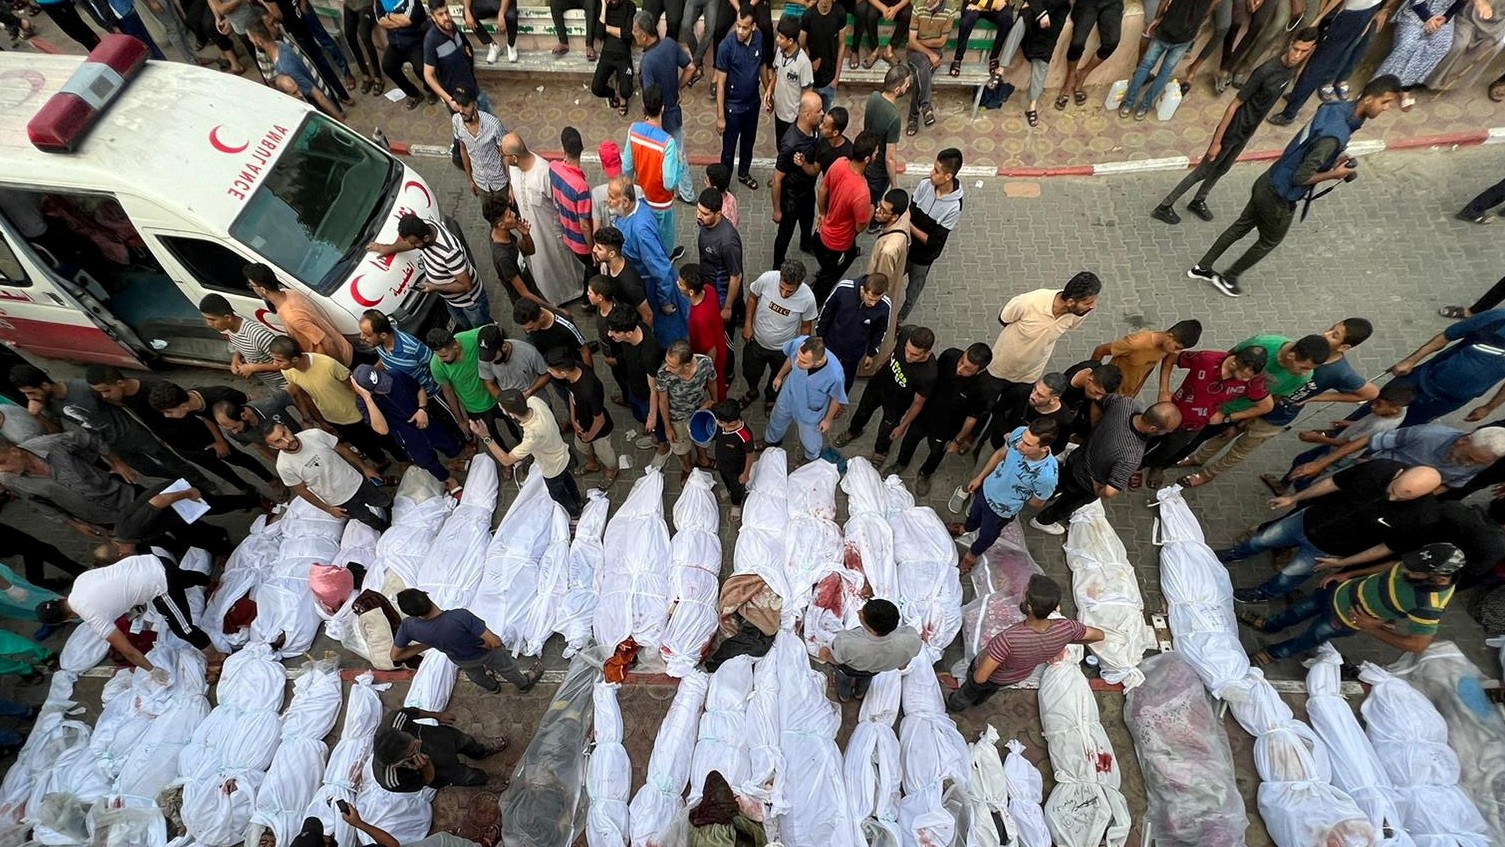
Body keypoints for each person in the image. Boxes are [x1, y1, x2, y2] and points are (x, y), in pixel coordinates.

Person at [1188, 76, 1403, 297]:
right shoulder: (1335, 136)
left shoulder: (1335, 107)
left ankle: (1201, 267)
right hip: (1280, 196)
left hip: (1269, 178)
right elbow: (1301, 178)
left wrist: (1332, 157)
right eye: (1384, 102)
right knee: (1269, 240)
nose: (1386, 108)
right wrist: (1335, 173)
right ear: (1368, 99)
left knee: (1240, 226)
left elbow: (1312, 145)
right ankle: (1228, 278)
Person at [1153, 30, 1319, 224]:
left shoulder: (1292, 71)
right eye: (1295, 49)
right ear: (1290, 44)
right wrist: (1217, 142)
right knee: (1203, 171)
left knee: (1222, 169)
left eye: (1303, 51)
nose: (1296, 55)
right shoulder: (1266, 70)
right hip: (1233, 130)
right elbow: (1233, 105)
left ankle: (1199, 200)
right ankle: (1165, 205)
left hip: (1246, 132)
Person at [1220, 460, 1443, 601]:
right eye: (1394, 490)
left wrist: (1343, 563)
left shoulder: (1422, 517)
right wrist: (1293, 498)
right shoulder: (1378, 468)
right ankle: (1234, 555)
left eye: (1405, 497)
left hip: (1328, 551)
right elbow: (1333, 483)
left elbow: (1385, 548)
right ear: (1399, 473)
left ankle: (1264, 593)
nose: (1392, 498)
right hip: (1307, 520)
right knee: (1261, 540)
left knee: (1291, 574)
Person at [1239, 542, 1462, 665]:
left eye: (1414, 571)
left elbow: (1417, 645)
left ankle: (1274, 654)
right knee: (1297, 610)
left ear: (1438, 577)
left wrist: (1371, 627)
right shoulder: (1413, 566)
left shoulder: (1429, 605)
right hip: (1338, 592)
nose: (1405, 569)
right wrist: (1348, 575)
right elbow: (1391, 566)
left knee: (1311, 637)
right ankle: (1269, 625)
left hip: (1345, 619)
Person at [11, 365, 211, 491]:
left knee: (171, 460)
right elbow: (56, 433)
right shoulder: (48, 405)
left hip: (134, 435)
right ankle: (184, 482)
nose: (31, 397)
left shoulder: (83, 388)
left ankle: (202, 482)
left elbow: (119, 402)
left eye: (31, 392)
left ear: (45, 385)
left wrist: (150, 428)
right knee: (150, 470)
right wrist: (37, 415)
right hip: (112, 447)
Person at [1177, 333, 1332, 487]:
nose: (1305, 372)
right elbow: (1229, 358)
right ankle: (1197, 459)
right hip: (1220, 401)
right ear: (1291, 355)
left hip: (1244, 412)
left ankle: (1207, 475)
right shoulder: (1264, 343)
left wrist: (1241, 420)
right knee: (1215, 437)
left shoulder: (1303, 377)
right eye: (1303, 367)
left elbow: (1275, 398)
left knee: (1237, 449)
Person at [35, 549, 221, 675]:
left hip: (160, 583)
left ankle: (216, 657)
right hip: (151, 561)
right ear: (58, 599)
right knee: (182, 577)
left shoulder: (94, 618)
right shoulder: (80, 581)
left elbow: (129, 652)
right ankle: (210, 582)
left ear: (66, 620)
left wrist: (152, 670)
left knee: (183, 629)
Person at [947, 574, 1105, 711]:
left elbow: (980, 677)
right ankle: (978, 702)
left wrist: (975, 681)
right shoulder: (1067, 628)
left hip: (992, 676)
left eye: (1024, 593)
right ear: (1056, 607)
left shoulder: (1007, 640)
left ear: (1029, 607)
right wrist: (1067, 639)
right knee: (989, 691)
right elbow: (1099, 635)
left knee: (972, 690)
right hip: (1016, 676)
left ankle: (956, 704)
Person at [1030, 398, 1182, 534]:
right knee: (1064, 506)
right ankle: (1041, 521)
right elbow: (1110, 491)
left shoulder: (1125, 404)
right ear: (1153, 429)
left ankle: (1039, 497)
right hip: (1085, 485)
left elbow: (1098, 400)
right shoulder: (1132, 455)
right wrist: (1099, 489)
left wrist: (1095, 427)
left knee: (1057, 483)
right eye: (1166, 431)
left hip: (1075, 460)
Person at [1139, 346, 1270, 488]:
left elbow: (1266, 406)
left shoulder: (1253, 381)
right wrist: (1164, 390)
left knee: (1170, 449)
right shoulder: (1206, 359)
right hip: (1169, 414)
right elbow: (1170, 358)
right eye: (1245, 375)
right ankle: (1131, 462)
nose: (1247, 379)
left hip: (1194, 424)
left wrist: (1228, 417)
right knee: (1146, 438)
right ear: (1234, 363)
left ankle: (1157, 466)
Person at [1270, 379, 1416, 494]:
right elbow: (1365, 424)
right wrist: (1349, 423)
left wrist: (1318, 438)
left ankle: (1298, 495)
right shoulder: (1400, 411)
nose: (1372, 407)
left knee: (1306, 474)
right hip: (1342, 441)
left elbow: (1346, 444)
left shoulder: (1380, 425)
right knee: (1302, 460)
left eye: (1379, 405)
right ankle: (1285, 486)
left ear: (1394, 408)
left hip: (1342, 454)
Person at [271, 336, 398, 466]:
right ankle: (382, 462)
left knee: (385, 439)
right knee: (363, 445)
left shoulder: (328, 364)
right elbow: (306, 396)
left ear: (295, 359)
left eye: (279, 360)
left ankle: (403, 460)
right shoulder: (287, 371)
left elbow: (354, 386)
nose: (275, 364)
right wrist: (321, 421)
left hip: (359, 413)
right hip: (335, 419)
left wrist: (371, 409)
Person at [954, 418, 1060, 572]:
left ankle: (971, 556)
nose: (1019, 445)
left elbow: (1037, 502)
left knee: (987, 536)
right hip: (986, 490)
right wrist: (979, 478)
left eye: (1027, 444)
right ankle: (965, 528)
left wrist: (1013, 496)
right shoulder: (1019, 434)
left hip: (1000, 511)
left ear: (1044, 448)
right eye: (1023, 439)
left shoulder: (1047, 476)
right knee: (973, 516)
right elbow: (999, 454)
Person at [393, 588, 543, 691]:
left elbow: (396, 656)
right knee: (507, 668)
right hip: (485, 652)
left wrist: (426, 644)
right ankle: (524, 684)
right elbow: (495, 642)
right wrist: (492, 643)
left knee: (475, 675)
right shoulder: (459, 617)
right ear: (426, 595)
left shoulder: (409, 627)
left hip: (460, 659)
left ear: (410, 614)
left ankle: (493, 687)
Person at [889, 343, 998, 485]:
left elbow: (972, 418)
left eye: (968, 369)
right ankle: (901, 462)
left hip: (947, 427)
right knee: (910, 439)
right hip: (925, 414)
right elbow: (931, 379)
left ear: (980, 370)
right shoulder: (950, 355)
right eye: (961, 362)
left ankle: (925, 473)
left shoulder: (985, 388)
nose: (960, 369)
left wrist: (958, 440)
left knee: (936, 452)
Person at [0, 432, 138, 538]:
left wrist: (118, 463)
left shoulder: (52, 444)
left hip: (125, 494)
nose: (3, 470)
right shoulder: (9, 480)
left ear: (15, 451)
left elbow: (91, 440)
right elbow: (41, 505)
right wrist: (76, 525)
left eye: (2, 462)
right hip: (101, 518)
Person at [351, 365, 463, 495]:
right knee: (426, 460)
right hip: (407, 436)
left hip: (425, 421)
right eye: (378, 388)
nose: (385, 388)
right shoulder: (363, 403)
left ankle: (453, 460)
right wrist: (367, 398)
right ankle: (448, 479)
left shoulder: (395, 375)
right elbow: (382, 430)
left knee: (448, 443)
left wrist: (422, 409)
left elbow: (419, 389)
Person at [837, 325, 937, 469]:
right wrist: (882, 364)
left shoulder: (929, 375)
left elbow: (917, 403)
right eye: (907, 350)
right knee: (863, 410)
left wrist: (903, 426)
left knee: (887, 429)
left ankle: (880, 451)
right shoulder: (907, 332)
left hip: (897, 402)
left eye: (914, 354)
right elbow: (895, 350)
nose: (908, 356)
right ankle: (854, 430)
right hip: (878, 384)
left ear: (927, 352)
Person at [146, 382, 280, 490]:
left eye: (169, 412)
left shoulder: (222, 395)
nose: (166, 416)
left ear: (183, 406)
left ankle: (277, 477)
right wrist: (220, 440)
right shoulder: (191, 406)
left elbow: (250, 402)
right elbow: (206, 418)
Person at [1386, 308, 1505, 426]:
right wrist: (1411, 361)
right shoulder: (1497, 318)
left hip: (1450, 400)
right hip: (1422, 378)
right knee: (1377, 406)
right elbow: (1446, 337)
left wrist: (1489, 408)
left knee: (1404, 428)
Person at [606, 176, 689, 346]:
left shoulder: (641, 231)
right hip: (643, 279)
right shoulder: (634, 208)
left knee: (666, 330)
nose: (608, 201)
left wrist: (665, 300)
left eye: (612, 197)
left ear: (626, 201)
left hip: (650, 285)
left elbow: (660, 268)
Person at [985, 273, 1102, 394]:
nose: (1093, 306)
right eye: (1088, 303)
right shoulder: (1030, 302)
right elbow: (1004, 319)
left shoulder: (1079, 313)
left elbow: (1071, 326)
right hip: (1001, 367)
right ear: (1071, 302)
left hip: (1030, 375)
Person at [505, 134, 585, 309]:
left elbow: (560, 204)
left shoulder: (544, 173)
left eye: (505, 156)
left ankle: (574, 292)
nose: (503, 159)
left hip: (551, 230)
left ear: (514, 157)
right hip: (531, 231)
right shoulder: (514, 168)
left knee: (562, 263)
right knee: (541, 267)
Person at [367, 213, 488, 328]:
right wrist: (388, 248)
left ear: (426, 238)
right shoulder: (425, 226)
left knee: (482, 329)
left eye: (414, 243)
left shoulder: (450, 252)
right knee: (465, 327)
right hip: (453, 301)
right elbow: (409, 244)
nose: (411, 245)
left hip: (471, 304)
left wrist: (435, 287)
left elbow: (466, 285)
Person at [1301, 423, 1505, 490]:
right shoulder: (1427, 435)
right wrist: (1321, 463)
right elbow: (1368, 440)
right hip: (1363, 474)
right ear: (1464, 440)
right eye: (1469, 458)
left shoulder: (1482, 461)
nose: (1468, 465)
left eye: (1476, 463)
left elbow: (1449, 485)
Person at [474, 391, 583, 516]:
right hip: (563, 452)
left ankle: (574, 513)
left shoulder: (532, 435)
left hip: (552, 468)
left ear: (510, 414)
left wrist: (486, 437)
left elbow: (506, 460)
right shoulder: (535, 401)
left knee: (557, 493)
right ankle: (579, 501)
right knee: (568, 480)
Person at [266, 423, 392, 529]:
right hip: (339, 500)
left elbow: (343, 449)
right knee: (369, 520)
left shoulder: (314, 434)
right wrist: (328, 509)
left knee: (385, 502)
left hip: (356, 482)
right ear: (273, 447)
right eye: (278, 441)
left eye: (284, 433)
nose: (287, 440)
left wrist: (365, 468)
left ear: (287, 428)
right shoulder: (283, 466)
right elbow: (302, 491)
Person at [632, 11, 696, 204]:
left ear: (644, 35)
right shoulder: (669, 44)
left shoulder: (648, 61)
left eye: (635, 31)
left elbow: (649, 97)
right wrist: (678, 87)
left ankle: (661, 189)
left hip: (657, 120)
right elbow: (691, 68)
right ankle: (688, 193)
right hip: (674, 114)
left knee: (657, 157)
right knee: (679, 154)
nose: (633, 35)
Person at [1117, 0, 1218, 121]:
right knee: (1164, 73)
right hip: (1185, 37)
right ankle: (1143, 108)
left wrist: (1157, 19)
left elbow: (1164, 2)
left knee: (1145, 66)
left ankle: (1128, 106)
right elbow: (1207, 13)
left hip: (1165, 30)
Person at [110, 481, 261, 559]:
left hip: (176, 499)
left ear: (121, 553)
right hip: (173, 515)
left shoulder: (129, 530)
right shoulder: (124, 536)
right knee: (194, 537)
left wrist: (186, 494)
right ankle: (224, 549)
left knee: (216, 505)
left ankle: (257, 500)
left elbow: (158, 501)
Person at [741, 262, 819, 410]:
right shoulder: (766, 279)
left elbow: (806, 326)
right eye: (781, 288)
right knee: (749, 371)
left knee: (778, 376)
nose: (784, 294)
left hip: (783, 349)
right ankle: (752, 391)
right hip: (756, 341)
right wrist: (747, 324)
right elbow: (752, 297)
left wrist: (801, 349)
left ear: (799, 285)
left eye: (789, 291)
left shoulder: (808, 298)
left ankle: (771, 397)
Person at [372, 706, 506, 792]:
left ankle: (481, 751)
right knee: (467, 776)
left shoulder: (394, 721)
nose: (419, 741)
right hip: (441, 771)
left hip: (441, 738)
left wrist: (437, 715)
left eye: (412, 737)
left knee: (467, 741)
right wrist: (426, 766)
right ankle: (486, 781)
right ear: (398, 763)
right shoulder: (392, 780)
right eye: (413, 750)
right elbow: (428, 780)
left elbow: (413, 712)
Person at [813, 131, 880, 303]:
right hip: (837, 243)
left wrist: (821, 214)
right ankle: (817, 301)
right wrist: (871, 211)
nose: (877, 154)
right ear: (867, 159)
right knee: (829, 275)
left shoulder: (840, 163)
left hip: (821, 231)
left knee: (846, 255)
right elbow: (859, 227)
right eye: (875, 152)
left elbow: (822, 190)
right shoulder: (862, 193)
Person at [899, 148, 964, 322]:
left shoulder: (954, 207)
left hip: (923, 258)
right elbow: (912, 208)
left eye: (936, 171)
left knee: (912, 290)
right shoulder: (925, 185)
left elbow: (932, 242)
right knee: (891, 278)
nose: (931, 173)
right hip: (905, 246)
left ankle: (899, 320)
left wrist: (908, 224)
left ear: (948, 176)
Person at [246, 263, 353, 366]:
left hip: (341, 359)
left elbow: (328, 342)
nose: (251, 287)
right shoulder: (289, 293)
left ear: (263, 290)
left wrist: (343, 369)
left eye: (251, 285)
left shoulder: (292, 317)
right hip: (343, 348)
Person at [818, 598, 921, 702]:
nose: (858, 612)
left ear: (871, 628)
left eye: (861, 615)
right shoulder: (911, 638)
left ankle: (844, 696)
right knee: (865, 679)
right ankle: (859, 694)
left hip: (850, 669)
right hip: (874, 670)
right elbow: (903, 665)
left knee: (844, 679)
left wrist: (827, 655)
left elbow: (837, 660)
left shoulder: (846, 641)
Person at [624, 86, 686, 259]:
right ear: (663, 107)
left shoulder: (633, 130)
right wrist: (679, 165)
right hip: (661, 203)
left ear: (643, 105)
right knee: (664, 241)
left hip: (641, 199)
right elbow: (669, 182)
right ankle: (666, 259)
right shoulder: (668, 143)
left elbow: (627, 166)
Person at [765, 335, 848, 461]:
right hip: (789, 395)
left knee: (810, 438)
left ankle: (811, 457)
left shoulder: (835, 375)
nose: (798, 362)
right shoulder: (799, 344)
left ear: (818, 362)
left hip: (809, 410)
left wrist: (827, 420)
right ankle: (771, 441)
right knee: (777, 419)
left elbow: (836, 398)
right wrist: (780, 376)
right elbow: (790, 359)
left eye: (804, 362)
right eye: (798, 357)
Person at [716, 6, 770, 189]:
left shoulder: (759, 38)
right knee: (729, 150)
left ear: (753, 26)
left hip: (752, 105)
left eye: (745, 27)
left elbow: (762, 65)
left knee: (749, 143)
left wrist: (768, 91)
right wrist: (721, 116)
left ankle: (744, 174)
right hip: (733, 108)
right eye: (738, 26)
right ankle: (723, 186)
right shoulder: (726, 46)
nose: (740, 31)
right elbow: (720, 84)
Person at [1374, 0, 1463, 109]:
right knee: (1407, 46)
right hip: (1415, 14)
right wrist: (1428, 18)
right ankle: (1377, 88)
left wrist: (1446, 17)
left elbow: (1461, 1)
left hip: (1441, 17)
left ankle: (1406, 88)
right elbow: (1415, 2)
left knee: (1440, 46)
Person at [545, 351, 619, 481]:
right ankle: (592, 464)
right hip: (581, 425)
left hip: (599, 430)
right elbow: (571, 395)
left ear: (563, 373)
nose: (548, 371)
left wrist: (589, 436)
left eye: (551, 370)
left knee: (605, 453)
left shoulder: (588, 391)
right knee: (581, 446)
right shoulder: (574, 371)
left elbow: (599, 419)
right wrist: (573, 420)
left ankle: (612, 470)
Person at [771, 90, 824, 267]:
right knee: (785, 233)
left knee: (807, 220)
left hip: (808, 191)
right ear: (808, 114)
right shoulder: (790, 144)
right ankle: (777, 264)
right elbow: (777, 179)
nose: (822, 113)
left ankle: (806, 243)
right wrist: (777, 210)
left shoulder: (815, 129)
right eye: (819, 111)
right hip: (791, 198)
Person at [649, 340, 717, 476]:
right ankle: (687, 468)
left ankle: (703, 460)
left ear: (687, 364)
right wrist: (668, 427)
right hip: (677, 416)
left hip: (700, 410)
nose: (667, 368)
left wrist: (715, 402)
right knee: (681, 447)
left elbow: (712, 381)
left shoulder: (705, 363)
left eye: (672, 365)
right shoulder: (663, 374)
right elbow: (663, 401)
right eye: (666, 362)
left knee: (702, 439)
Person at [475, 327, 552, 443]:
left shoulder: (528, 352)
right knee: (528, 435)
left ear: (504, 347)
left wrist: (529, 392)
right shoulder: (485, 358)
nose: (490, 361)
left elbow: (546, 374)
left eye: (493, 357)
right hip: (513, 408)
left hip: (538, 401)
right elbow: (489, 382)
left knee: (550, 428)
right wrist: (503, 401)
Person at [817, 273, 892, 392]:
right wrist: (819, 336)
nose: (873, 304)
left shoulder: (885, 306)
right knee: (822, 373)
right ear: (863, 289)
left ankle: (839, 402)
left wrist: (871, 353)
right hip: (831, 344)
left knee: (846, 379)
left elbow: (880, 331)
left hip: (854, 352)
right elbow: (827, 311)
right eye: (870, 299)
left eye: (877, 300)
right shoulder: (844, 289)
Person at [1091, 320, 1203, 398]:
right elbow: (1100, 350)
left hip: (1125, 394)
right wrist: (1092, 377)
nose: (1175, 352)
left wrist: (1134, 393)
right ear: (1169, 337)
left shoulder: (1165, 349)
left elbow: (1147, 369)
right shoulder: (1136, 343)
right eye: (1177, 348)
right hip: (1104, 389)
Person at [864, 190, 913, 370]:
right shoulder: (904, 217)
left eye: (884, 211)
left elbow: (880, 282)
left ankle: (868, 365)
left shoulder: (888, 250)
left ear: (895, 216)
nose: (878, 212)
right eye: (880, 206)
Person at [427, 326, 501, 443]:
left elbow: (494, 331)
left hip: (497, 394)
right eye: (438, 355)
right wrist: (460, 420)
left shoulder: (472, 338)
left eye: (444, 355)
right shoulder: (436, 366)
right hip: (475, 408)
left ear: (455, 346)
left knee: (514, 423)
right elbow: (448, 392)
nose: (441, 360)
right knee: (493, 440)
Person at [199, 294, 287, 390]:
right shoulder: (228, 329)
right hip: (272, 384)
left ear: (228, 318)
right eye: (206, 319)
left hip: (286, 383)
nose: (209, 324)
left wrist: (253, 368)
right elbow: (243, 347)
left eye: (212, 320)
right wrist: (236, 359)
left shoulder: (258, 335)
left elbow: (286, 363)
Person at [605, 312, 667, 444]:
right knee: (637, 414)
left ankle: (663, 445)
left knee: (655, 425)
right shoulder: (635, 328)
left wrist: (652, 415)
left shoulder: (649, 354)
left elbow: (653, 389)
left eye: (614, 331)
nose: (610, 334)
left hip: (646, 395)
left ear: (628, 333)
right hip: (633, 386)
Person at [551, 127, 598, 302]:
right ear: (582, 148)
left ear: (564, 148)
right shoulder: (581, 187)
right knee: (593, 269)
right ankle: (589, 301)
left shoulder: (553, 168)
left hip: (566, 232)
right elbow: (584, 224)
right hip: (581, 242)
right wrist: (593, 247)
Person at [861, 67, 910, 226]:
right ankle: (872, 224)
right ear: (897, 89)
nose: (907, 87)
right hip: (879, 171)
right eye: (906, 84)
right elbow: (890, 158)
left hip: (867, 160)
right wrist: (894, 185)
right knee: (874, 201)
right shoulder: (894, 117)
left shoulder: (874, 97)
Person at [1057, 0, 1125, 113]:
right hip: (1087, 3)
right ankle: (1071, 75)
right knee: (1077, 43)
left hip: (1113, 3)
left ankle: (1083, 74)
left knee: (1112, 42)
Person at [694, 188, 745, 337]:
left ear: (718, 213)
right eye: (698, 210)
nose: (699, 215)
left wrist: (728, 307)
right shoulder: (705, 223)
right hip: (709, 288)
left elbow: (736, 276)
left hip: (722, 297)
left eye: (704, 213)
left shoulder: (728, 242)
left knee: (724, 338)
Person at [422, 0, 489, 114]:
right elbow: (428, 76)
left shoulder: (452, 26)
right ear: (433, 17)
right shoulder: (431, 41)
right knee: (468, 129)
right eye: (440, 15)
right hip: (457, 99)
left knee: (491, 121)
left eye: (447, 12)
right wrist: (449, 99)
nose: (446, 17)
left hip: (472, 87)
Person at [484, 198, 550, 310]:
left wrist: (525, 235)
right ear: (501, 225)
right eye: (509, 215)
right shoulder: (503, 258)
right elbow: (524, 293)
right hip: (529, 306)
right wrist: (554, 310)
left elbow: (530, 251)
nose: (514, 214)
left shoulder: (501, 234)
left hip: (532, 289)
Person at [903, 0, 956, 137]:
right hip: (915, 54)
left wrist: (916, 43)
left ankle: (913, 118)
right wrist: (928, 52)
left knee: (919, 75)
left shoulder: (949, 10)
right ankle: (926, 107)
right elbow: (911, 41)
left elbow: (941, 41)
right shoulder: (918, 7)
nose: (926, 1)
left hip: (934, 53)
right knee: (923, 67)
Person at [679, 266, 731, 403]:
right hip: (720, 341)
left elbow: (711, 349)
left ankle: (719, 406)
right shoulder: (709, 289)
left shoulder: (699, 318)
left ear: (690, 291)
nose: (677, 285)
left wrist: (707, 372)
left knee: (717, 385)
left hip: (712, 356)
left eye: (680, 284)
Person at [359, 310, 440, 396]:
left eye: (367, 335)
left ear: (383, 335)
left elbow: (437, 364)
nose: (362, 337)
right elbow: (385, 359)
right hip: (411, 395)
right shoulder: (378, 344)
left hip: (432, 394)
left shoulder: (413, 347)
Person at [452, 91, 509, 205]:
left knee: (509, 214)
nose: (462, 111)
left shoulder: (494, 125)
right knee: (491, 216)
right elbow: (463, 150)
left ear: (475, 104)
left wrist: (511, 184)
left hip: (500, 182)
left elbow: (505, 155)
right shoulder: (456, 121)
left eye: (466, 106)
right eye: (459, 105)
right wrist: (470, 179)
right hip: (481, 182)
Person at [1022, 0, 1073, 126]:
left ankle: (1032, 106)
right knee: (1021, 20)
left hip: (1051, 23)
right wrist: (1041, 12)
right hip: (1032, 16)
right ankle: (1000, 69)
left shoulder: (1064, 6)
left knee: (1043, 56)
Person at [769, 14, 814, 148]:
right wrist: (769, 91)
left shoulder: (803, 63)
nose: (777, 40)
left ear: (790, 40)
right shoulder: (779, 51)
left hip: (793, 119)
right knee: (780, 146)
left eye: (781, 37)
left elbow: (807, 94)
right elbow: (777, 73)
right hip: (779, 114)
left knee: (791, 152)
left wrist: (801, 120)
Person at [376, 0, 431, 109]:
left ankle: (431, 90)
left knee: (420, 69)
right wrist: (398, 20)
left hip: (414, 42)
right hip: (395, 44)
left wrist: (389, 15)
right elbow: (380, 21)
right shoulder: (380, 1)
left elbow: (408, 20)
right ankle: (414, 94)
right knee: (387, 65)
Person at [592, 0, 638, 113]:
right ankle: (613, 93)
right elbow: (598, 34)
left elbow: (628, 35)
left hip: (623, 55)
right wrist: (603, 6)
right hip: (607, 54)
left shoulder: (630, 6)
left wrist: (606, 28)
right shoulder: (603, 7)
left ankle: (622, 94)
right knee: (596, 88)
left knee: (627, 92)